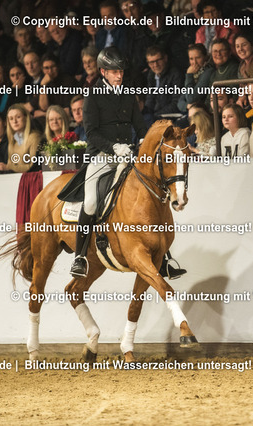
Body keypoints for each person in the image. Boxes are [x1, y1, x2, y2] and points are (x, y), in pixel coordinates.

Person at [71, 47, 184, 280]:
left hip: (128, 154)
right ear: (103, 72)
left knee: (151, 192)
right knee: (90, 202)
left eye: (121, 71)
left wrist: (143, 140)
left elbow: (140, 125)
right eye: (114, 72)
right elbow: (91, 133)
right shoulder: (92, 97)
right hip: (102, 156)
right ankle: (80, 257)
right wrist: (114, 147)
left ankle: (164, 258)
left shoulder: (128, 93)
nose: (119, 75)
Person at [177, 43, 214, 115]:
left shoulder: (209, 71)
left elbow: (191, 98)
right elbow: (180, 102)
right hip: (191, 112)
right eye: (191, 59)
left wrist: (189, 75)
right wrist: (187, 106)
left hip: (203, 114)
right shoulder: (194, 73)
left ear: (205, 57)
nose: (194, 62)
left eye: (198, 58)